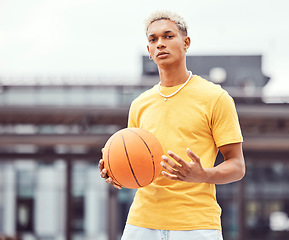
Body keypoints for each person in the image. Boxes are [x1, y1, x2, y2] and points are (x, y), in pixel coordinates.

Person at [99, 10, 245, 240]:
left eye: (168, 36)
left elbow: (237, 166)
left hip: (195, 224)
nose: (160, 44)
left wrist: (203, 174)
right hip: (142, 222)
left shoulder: (215, 98)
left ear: (186, 43)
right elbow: (136, 160)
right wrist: (117, 170)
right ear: (148, 51)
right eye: (153, 39)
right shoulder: (139, 105)